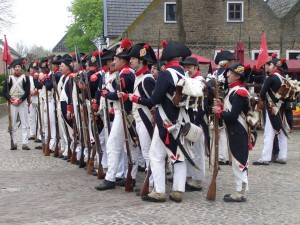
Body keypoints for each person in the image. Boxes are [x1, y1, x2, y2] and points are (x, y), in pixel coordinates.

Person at [142, 42, 193, 203]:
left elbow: (155, 99)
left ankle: (159, 191)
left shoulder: (165, 74)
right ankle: (178, 190)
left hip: (166, 121)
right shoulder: (185, 74)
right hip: (182, 120)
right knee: (179, 156)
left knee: (156, 156)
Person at [95, 38, 139, 190]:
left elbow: (121, 94)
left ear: (122, 60)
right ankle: (130, 176)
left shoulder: (125, 74)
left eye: (115, 59)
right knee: (131, 147)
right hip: (127, 112)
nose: (113, 62)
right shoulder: (126, 72)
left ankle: (111, 177)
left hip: (124, 112)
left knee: (113, 144)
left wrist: (107, 94)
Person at [212, 62, 251, 202]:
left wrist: (219, 112)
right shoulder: (234, 91)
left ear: (236, 75)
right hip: (235, 130)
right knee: (237, 160)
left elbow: (233, 116)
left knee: (239, 160)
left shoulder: (239, 92)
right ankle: (240, 190)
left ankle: (240, 192)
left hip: (238, 130)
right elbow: (232, 109)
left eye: (230, 73)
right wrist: (221, 106)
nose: (227, 75)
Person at [253, 56, 291, 165]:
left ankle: (265, 158)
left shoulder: (271, 77)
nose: (266, 67)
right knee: (281, 133)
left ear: (273, 66)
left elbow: (262, 93)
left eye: (268, 65)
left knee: (269, 133)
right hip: (283, 109)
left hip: (272, 108)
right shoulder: (283, 77)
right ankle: (282, 156)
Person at [180, 56, 208, 192]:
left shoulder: (200, 82)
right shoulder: (188, 81)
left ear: (196, 68)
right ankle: (189, 177)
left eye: (189, 67)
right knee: (188, 151)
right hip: (188, 120)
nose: (186, 70)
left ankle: (198, 181)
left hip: (197, 122)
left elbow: (203, 106)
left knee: (197, 151)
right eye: (185, 67)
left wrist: (195, 124)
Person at [212, 49, 236, 165]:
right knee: (224, 131)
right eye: (231, 60)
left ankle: (223, 156)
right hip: (225, 102)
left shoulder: (215, 74)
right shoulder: (225, 73)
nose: (233, 62)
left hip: (223, 102)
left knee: (222, 131)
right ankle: (224, 156)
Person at [2, 57, 30, 150]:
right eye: (15, 67)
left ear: (21, 68)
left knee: (25, 123)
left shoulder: (25, 78)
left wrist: (20, 100)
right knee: (13, 124)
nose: (17, 68)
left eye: (18, 66)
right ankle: (14, 142)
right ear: (13, 68)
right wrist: (11, 100)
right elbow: (4, 91)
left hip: (22, 102)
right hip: (12, 103)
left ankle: (25, 143)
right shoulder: (9, 79)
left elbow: (27, 91)